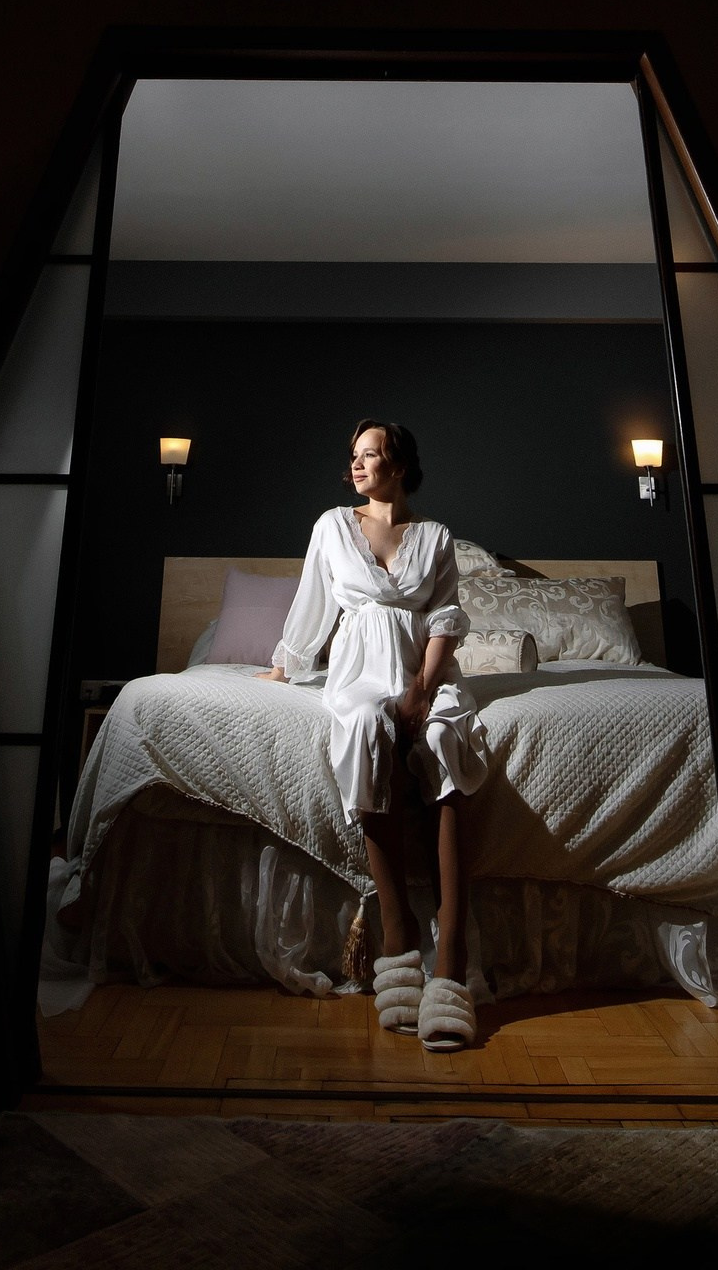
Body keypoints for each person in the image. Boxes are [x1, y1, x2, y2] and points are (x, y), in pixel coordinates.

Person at [257, 419, 487, 1050]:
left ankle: (453, 953)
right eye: (354, 456)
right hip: (358, 670)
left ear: (399, 465)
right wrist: (285, 664)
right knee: (362, 725)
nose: (357, 465)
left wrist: (421, 691)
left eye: (370, 455)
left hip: (425, 670)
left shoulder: (435, 536)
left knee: (445, 740)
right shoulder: (333, 526)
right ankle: (397, 925)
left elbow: (444, 619)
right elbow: (312, 605)